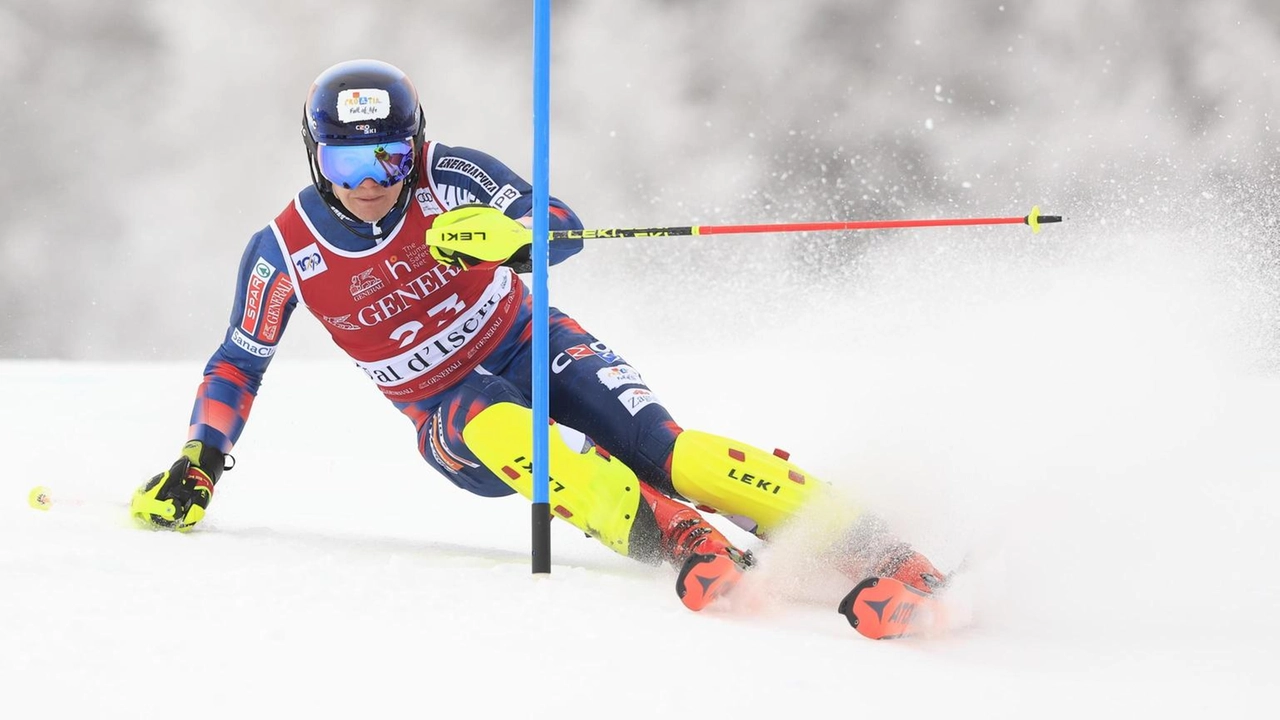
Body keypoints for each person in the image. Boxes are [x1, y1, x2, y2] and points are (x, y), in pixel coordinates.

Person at [131, 59, 945, 611]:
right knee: (502, 423)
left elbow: (560, 224)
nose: (373, 185)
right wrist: (201, 460)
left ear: (413, 146)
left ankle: (871, 541)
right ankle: (683, 540)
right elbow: (241, 358)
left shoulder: (447, 175)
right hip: (450, 413)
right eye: (347, 168)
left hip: (530, 338)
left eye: (387, 159)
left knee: (669, 449)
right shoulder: (286, 251)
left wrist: (513, 238)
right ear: (316, 163)